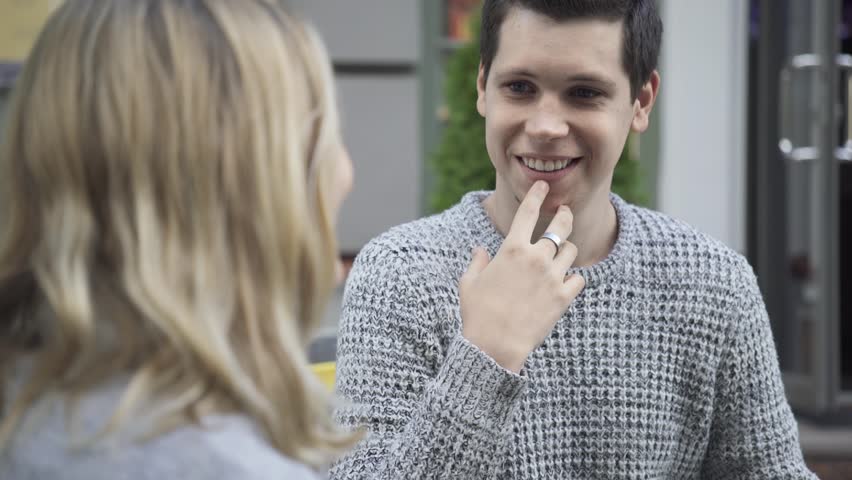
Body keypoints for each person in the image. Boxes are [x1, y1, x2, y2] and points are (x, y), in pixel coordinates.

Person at [330, 0, 817, 478]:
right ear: (482, 87)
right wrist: (485, 357)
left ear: (641, 102)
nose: (545, 126)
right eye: (519, 87)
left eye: (584, 93)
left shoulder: (714, 284)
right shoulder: (399, 274)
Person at [0, 1, 358, 479]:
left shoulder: (34, 407)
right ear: (247, 197)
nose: (345, 174)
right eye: (320, 143)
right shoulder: (222, 465)